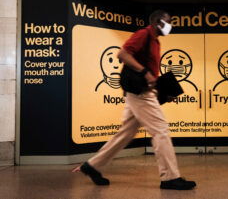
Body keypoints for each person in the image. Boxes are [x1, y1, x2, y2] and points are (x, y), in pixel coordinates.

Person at [74, 10, 196, 190]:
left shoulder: (155, 41)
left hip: (141, 92)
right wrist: (145, 72)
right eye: (168, 22)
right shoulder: (143, 34)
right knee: (161, 130)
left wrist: (162, 90)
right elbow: (122, 54)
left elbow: (149, 70)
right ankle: (170, 177)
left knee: (125, 134)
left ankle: (92, 166)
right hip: (141, 94)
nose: (171, 26)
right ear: (157, 22)